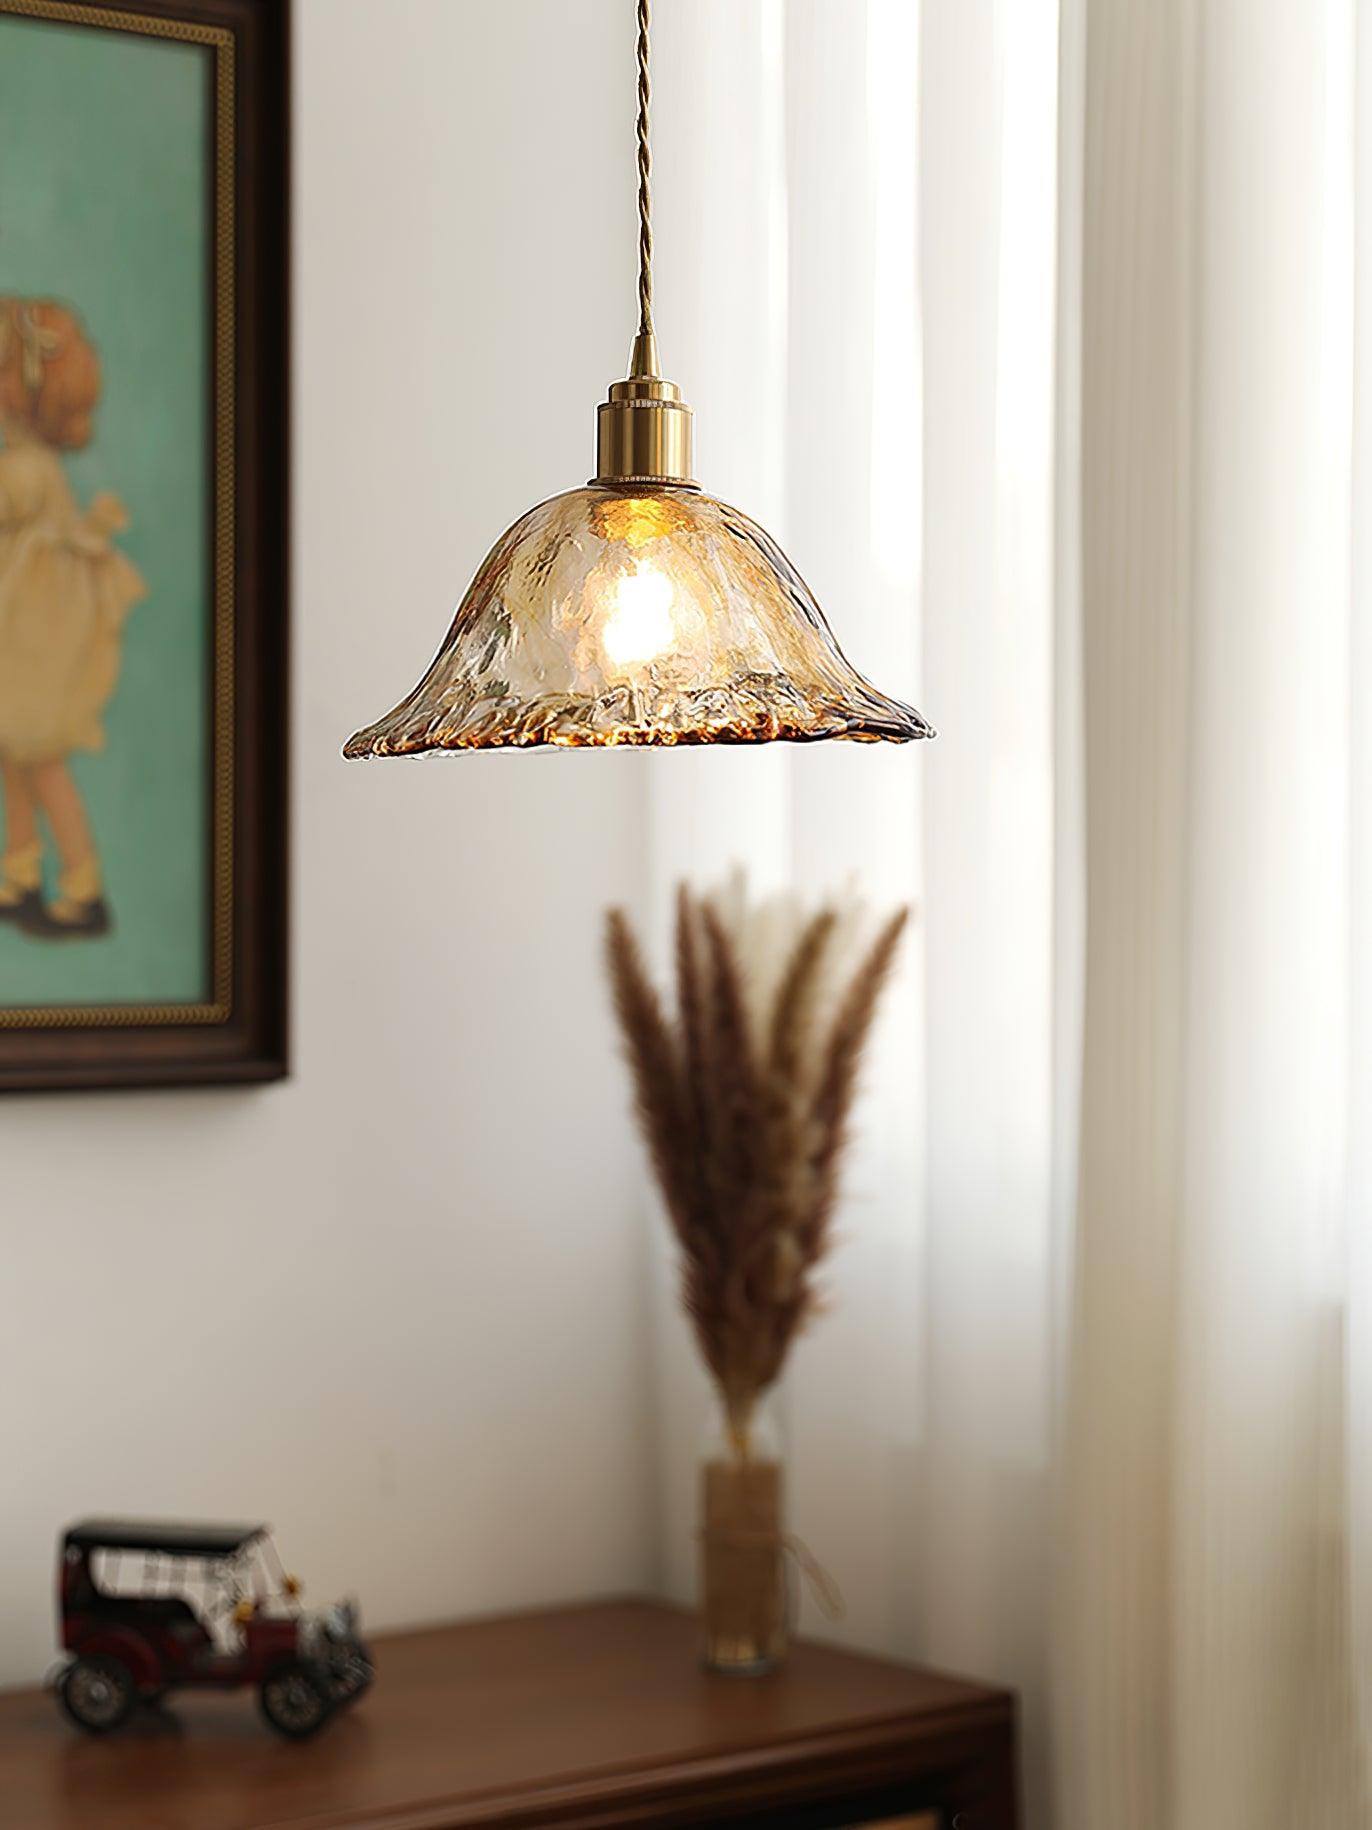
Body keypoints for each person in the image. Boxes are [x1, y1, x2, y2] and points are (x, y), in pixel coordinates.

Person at [0, 298, 144, 939]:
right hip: (18, 642)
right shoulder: (26, 464)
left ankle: (82, 883)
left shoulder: (24, 469)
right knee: (15, 759)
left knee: (40, 761)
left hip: (30, 646)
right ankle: (22, 869)